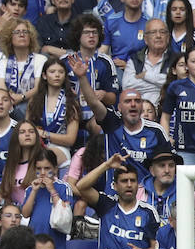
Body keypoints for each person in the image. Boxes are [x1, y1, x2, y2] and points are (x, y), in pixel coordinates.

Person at [68, 53, 169, 183]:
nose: (133, 104)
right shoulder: (112, 122)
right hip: (114, 192)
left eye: (137, 101)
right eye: (128, 101)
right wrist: (82, 78)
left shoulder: (156, 131)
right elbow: (93, 103)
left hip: (145, 193)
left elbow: (169, 162)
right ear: (119, 107)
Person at [73, 154, 159, 249]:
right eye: (124, 181)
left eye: (133, 181)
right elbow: (81, 187)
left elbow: (156, 247)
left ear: (138, 185)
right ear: (115, 186)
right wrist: (106, 165)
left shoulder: (148, 212)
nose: (129, 185)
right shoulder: (106, 204)